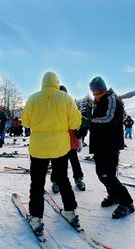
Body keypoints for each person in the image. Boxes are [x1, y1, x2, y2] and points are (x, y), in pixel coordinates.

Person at [22, 72, 83, 235]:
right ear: (57, 83)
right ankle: (70, 211)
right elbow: (76, 122)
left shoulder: (33, 98)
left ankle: (36, 218)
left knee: (37, 183)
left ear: (43, 82)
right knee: (63, 179)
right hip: (60, 147)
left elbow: (25, 121)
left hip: (38, 148)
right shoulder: (66, 98)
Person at [88, 76, 134, 219]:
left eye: (94, 92)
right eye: (92, 93)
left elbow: (109, 119)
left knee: (107, 175)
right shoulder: (100, 101)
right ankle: (114, 195)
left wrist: (90, 122)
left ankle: (127, 203)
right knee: (102, 174)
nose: (93, 95)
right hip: (100, 144)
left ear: (99, 89)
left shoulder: (112, 99)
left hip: (109, 144)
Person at [52, 85, 86, 193]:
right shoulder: (53, 108)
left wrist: (80, 137)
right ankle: (56, 181)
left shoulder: (72, 106)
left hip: (71, 140)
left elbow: (82, 122)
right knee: (57, 163)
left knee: (74, 161)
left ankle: (78, 179)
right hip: (58, 141)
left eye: (64, 94)